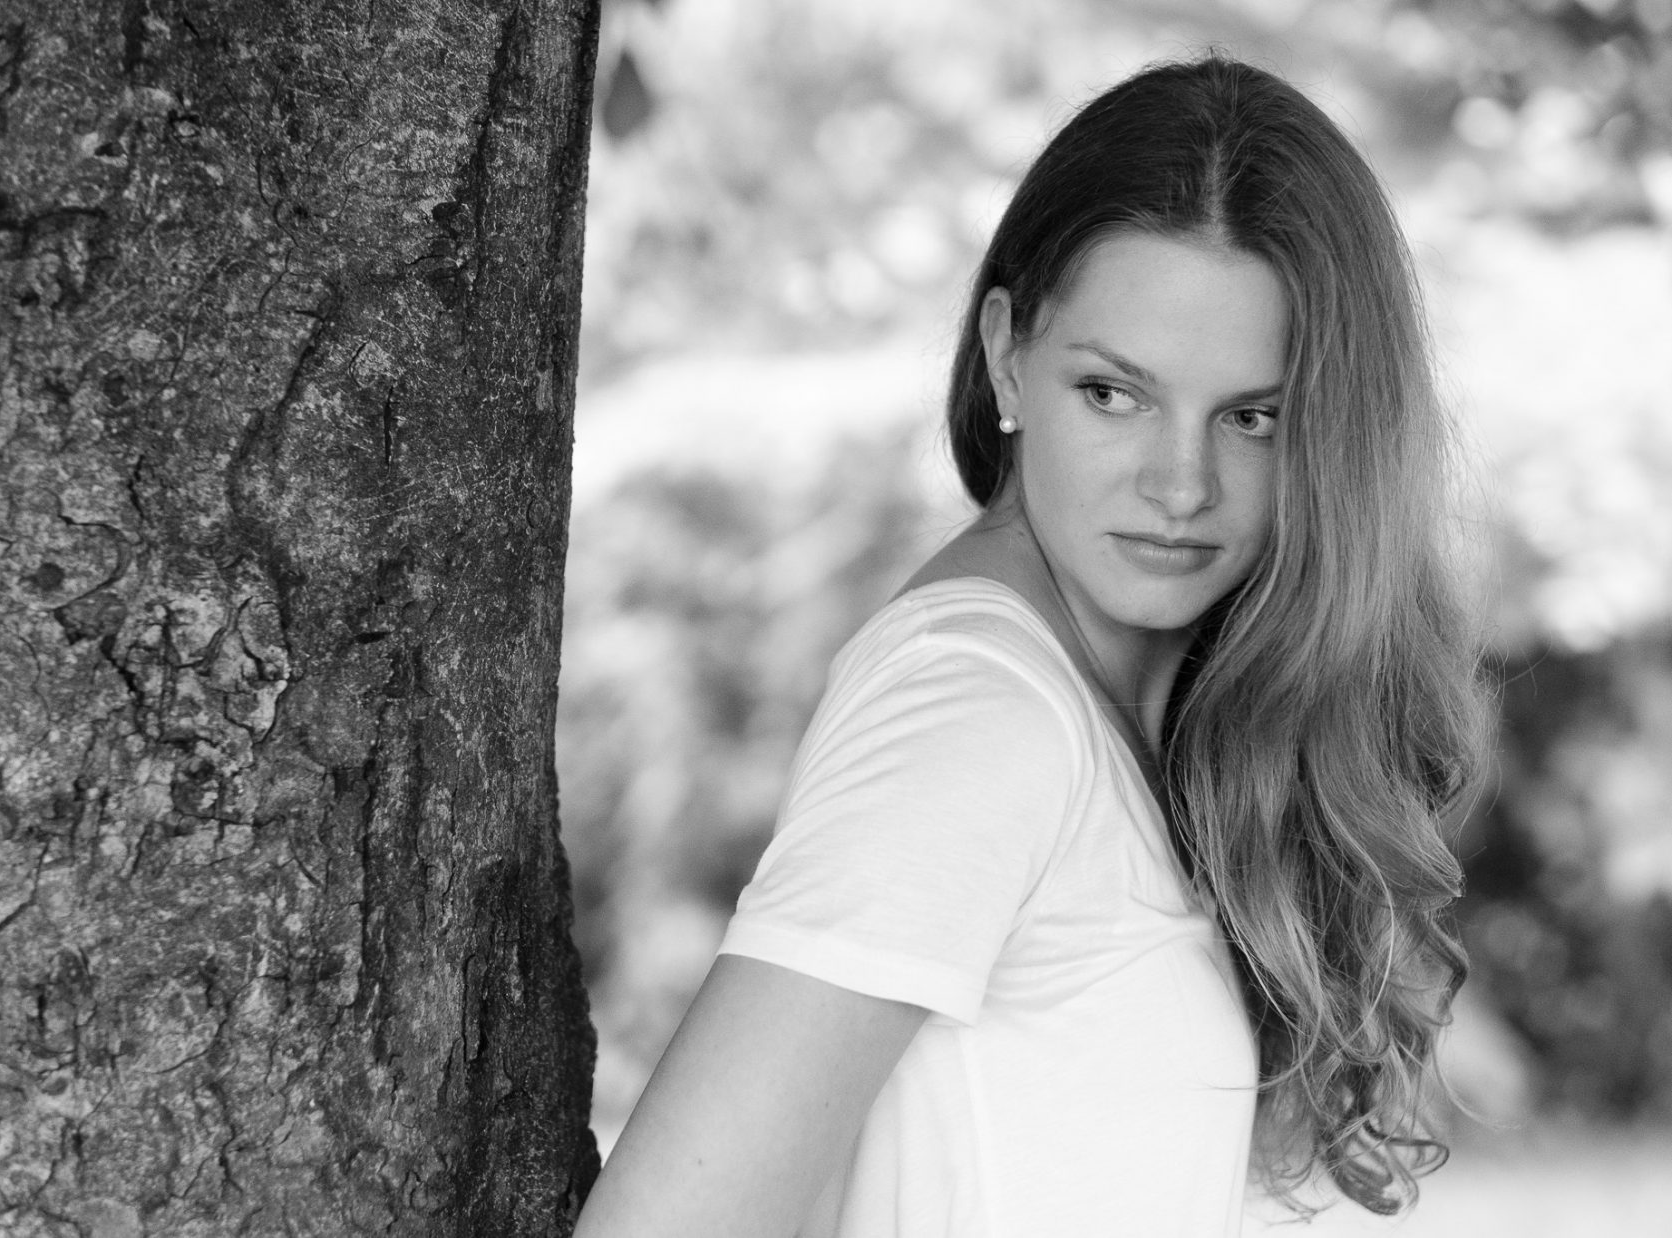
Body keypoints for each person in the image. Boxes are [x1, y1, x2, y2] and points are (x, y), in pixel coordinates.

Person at [572, 54, 1492, 1238]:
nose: (1181, 484)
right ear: (1008, 353)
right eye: (1114, 392)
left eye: (1253, 416)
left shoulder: (1111, 710)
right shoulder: (977, 715)